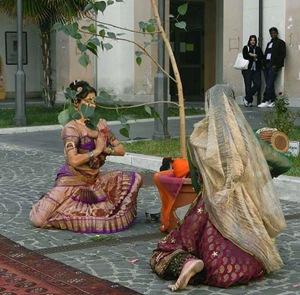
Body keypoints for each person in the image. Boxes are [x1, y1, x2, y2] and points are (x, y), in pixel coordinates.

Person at [150, 84, 290, 292]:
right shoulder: (245, 138)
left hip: (208, 205)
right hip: (242, 206)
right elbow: (284, 164)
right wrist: (255, 178)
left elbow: (198, 185)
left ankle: (187, 262)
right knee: (250, 250)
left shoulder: (197, 139)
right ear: (233, 104)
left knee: (165, 251)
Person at [29, 80, 142, 233]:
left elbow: (121, 149)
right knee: (38, 219)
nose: (92, 105)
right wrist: (96, 151)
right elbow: (73, 160)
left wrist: (106, 150)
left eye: (94, 101)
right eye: (88, 101)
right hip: (71, 180)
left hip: (93, 180)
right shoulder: (72, 128)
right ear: (77, 104)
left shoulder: (100, 125)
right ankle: (51, 203)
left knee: (135, 178)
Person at [258, 27, 286, 108]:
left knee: (269, 83)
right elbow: (266, 54)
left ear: (277, 33)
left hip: (274, 66)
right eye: (271, 33)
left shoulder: (280, 43)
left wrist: (276, 65)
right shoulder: (269, 43)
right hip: (266, 65)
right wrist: (263, 64)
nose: (273, 34)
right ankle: (273, 100)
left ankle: (265, 100)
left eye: (274, 33)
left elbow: (282, 55)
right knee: (269, 83)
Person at [242, 35, 264, 107]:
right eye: (251, 40)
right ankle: (249, 101)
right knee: (247, 85)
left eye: (254, 40)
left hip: (256, 69)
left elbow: (261, 56)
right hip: (247, 70)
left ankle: (247, 98)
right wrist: (254, 56)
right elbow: (245, 56)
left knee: (258, 84)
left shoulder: (258, 48)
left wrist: (253, 55)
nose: (252, 41)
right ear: (249, 41)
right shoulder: (246, 48)